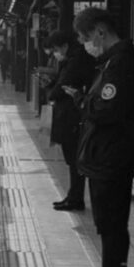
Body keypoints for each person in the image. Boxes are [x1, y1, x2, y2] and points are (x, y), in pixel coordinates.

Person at [70, 7, 134, 267]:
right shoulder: (119, 60)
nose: (87, 44)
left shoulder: (120, 63)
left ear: (100, 31)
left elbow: (106, 109)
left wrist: (84, 101)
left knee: (110, 223)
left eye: (87, 38)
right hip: (114, 153)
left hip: (110, 155)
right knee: (116, 221)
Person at [47, 30, 95, 212]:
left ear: (65, 46)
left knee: (74, 159)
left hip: (72, 117)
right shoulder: (75, 58)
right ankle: (73, 196)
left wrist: (52, 91)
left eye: (56, 49)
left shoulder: (76, 60)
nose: (54, 53)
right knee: (73, 160)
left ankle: (75, 199)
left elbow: (64, 85)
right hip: (72, 115)